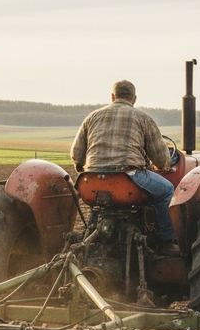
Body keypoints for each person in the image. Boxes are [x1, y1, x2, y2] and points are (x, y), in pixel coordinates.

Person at [70, 79, 179, 255]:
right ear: (134, 99)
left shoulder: (92, 117)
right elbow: (161, 158)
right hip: (127, 181)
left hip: (90, 184)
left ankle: (93, 234)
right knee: (166, 190)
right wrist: (164, 165)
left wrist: (83, 167)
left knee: (100, 204)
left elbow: (76, 154)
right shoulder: (143, 118)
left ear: (112, 96)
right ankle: (166, 241)